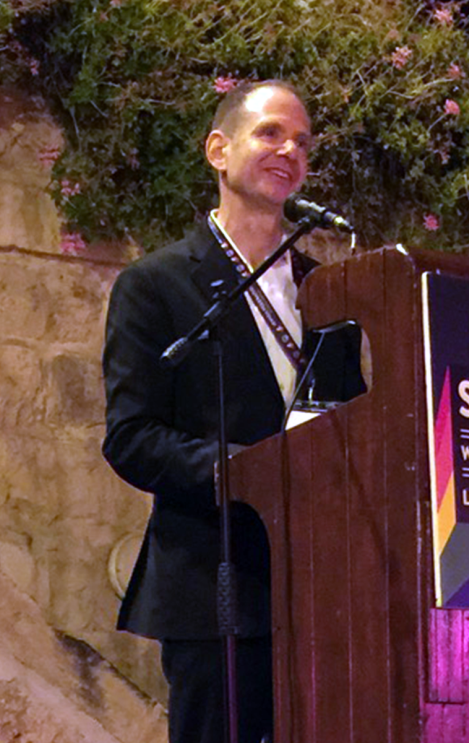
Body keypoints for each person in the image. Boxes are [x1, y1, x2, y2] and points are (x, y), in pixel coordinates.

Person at [102, 80, 364, 743]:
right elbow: (132, 437)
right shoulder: (156, 284)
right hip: (214, 580)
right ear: (218, 150)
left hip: (318, 586)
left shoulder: (328, 290)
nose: (290, 150)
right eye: (270, 133)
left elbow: (354, 422)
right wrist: (246, 471)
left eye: (302, 141)